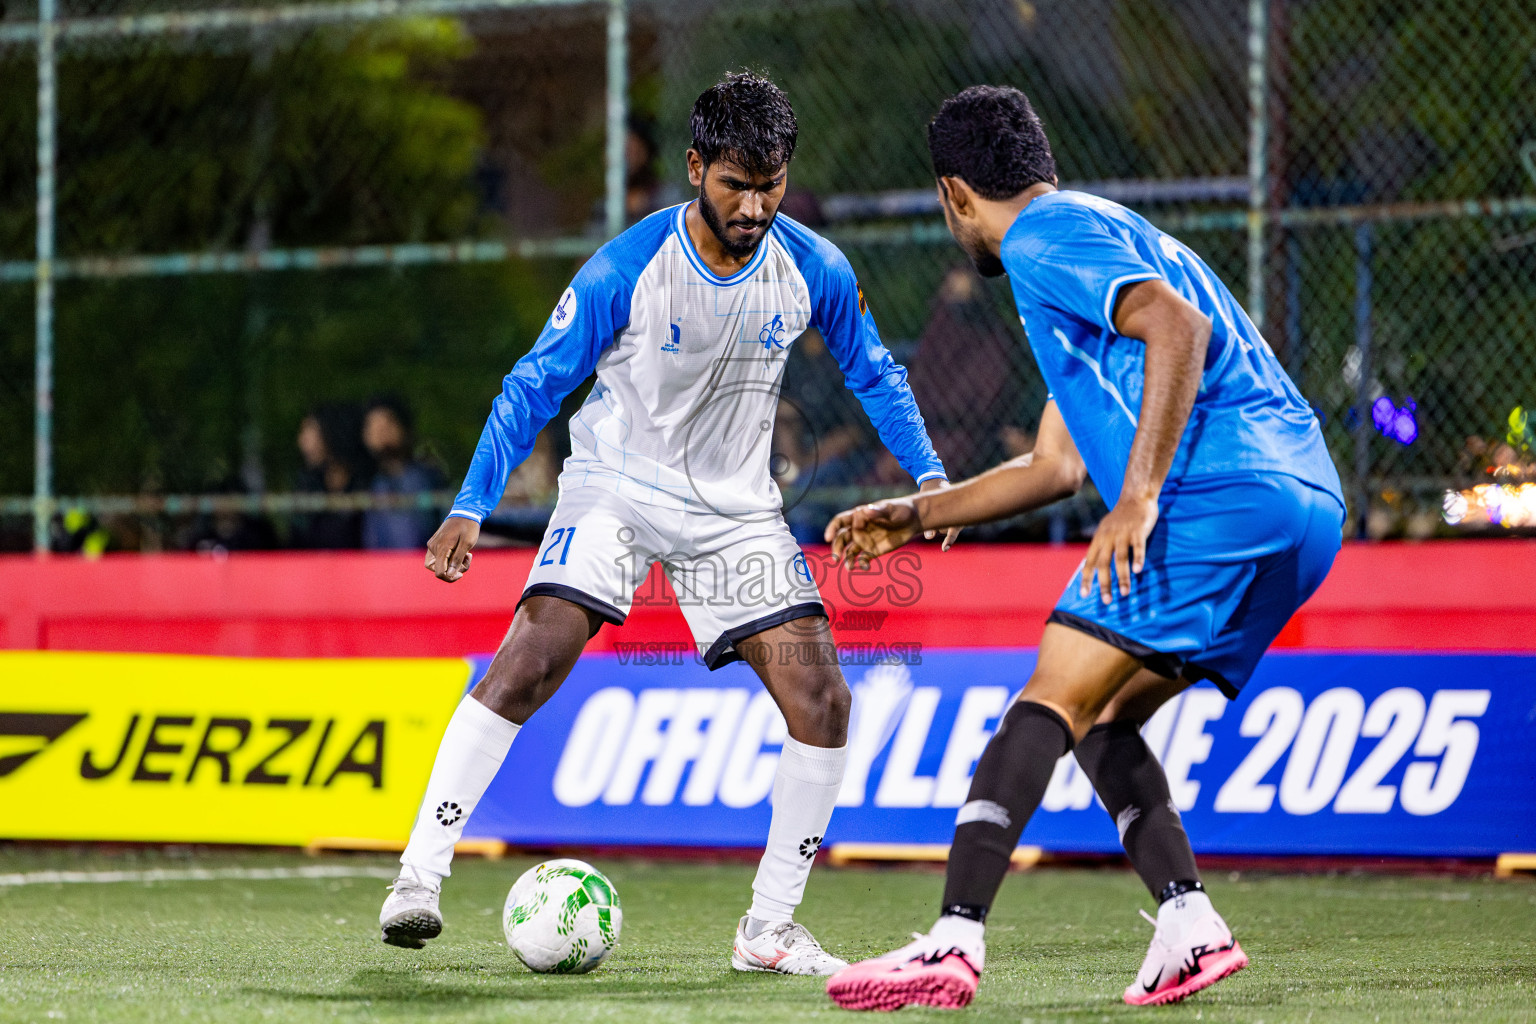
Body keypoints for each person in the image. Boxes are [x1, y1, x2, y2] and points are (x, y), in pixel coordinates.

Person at [378, 72, 953, 976]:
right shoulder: (628, 267)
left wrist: (929, 476)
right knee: (530, 660)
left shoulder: (817, 268)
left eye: (772, 185)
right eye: (736, 184)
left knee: (824, 701)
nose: (755, 206)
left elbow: (874, 373)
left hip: (737, 510)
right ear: (694, 168)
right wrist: (470, 502)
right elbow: (533, 383)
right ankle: (418, 876)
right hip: (617, 486)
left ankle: (768, 930)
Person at [822, 86, 1344, 1010]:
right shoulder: (1102, 239)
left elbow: (1176, 328)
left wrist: (1138, 497)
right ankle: (1190, 924)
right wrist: (918, 512)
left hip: (1217, 493)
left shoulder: (1039, 239)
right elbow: (1056, 465)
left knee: (1048, 697)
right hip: (1305, 509)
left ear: (954, 194)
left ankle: (953, 940)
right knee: (1103, 717)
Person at [361, 396, 445, 550]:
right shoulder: (365, 480)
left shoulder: (423, 477)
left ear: (403, 428)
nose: (380, 432)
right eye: (373, 426)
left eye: (387, 424)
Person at [292, 403, 368, 549]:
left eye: (310, 432)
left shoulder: (367, 487)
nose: (302, 442)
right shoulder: (306, 487)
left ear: (332, 433)